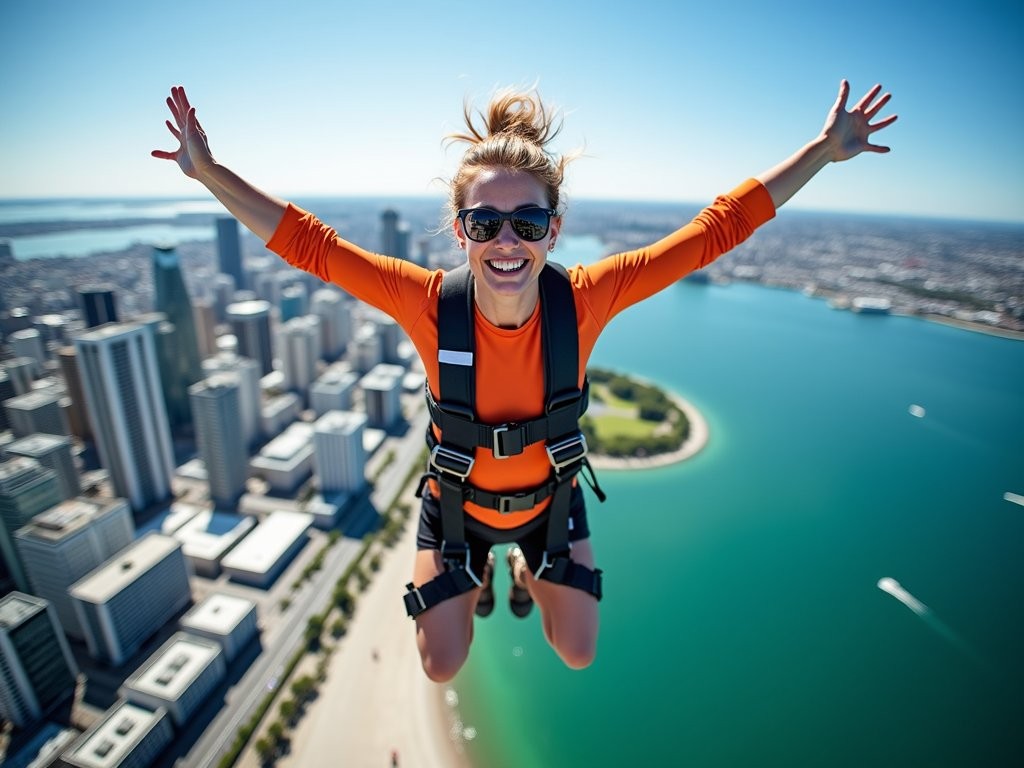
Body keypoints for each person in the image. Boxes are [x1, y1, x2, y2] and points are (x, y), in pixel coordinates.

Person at [153, 80, 896, 682]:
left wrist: (821, 152)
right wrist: (210, 173)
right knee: (441, 665)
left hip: (549, 509)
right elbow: (309, 245)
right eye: (485, 224)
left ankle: (519, 571)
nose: (506, 242)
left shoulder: (586, 299)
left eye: (527, 223)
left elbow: (715, 232)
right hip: (455, 514)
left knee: (577, 650)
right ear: (459, 230)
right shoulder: (425, 302)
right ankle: (485, 572)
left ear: (554, 228)